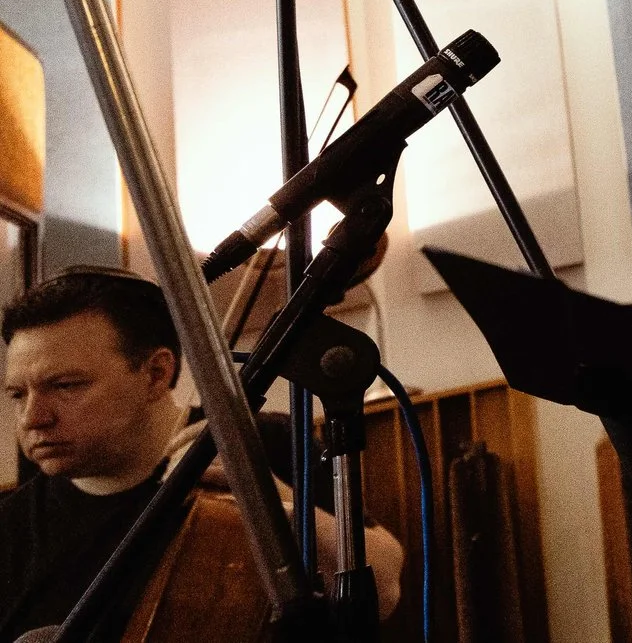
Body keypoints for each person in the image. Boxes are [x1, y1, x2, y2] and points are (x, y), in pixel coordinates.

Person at [0, 267, 402, 633]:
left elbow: (383, 588)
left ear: (157, 373)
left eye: (66, 386)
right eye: (18, 394)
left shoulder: (257, 440)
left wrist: (270, 499)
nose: (33, 418)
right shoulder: (12, 527)